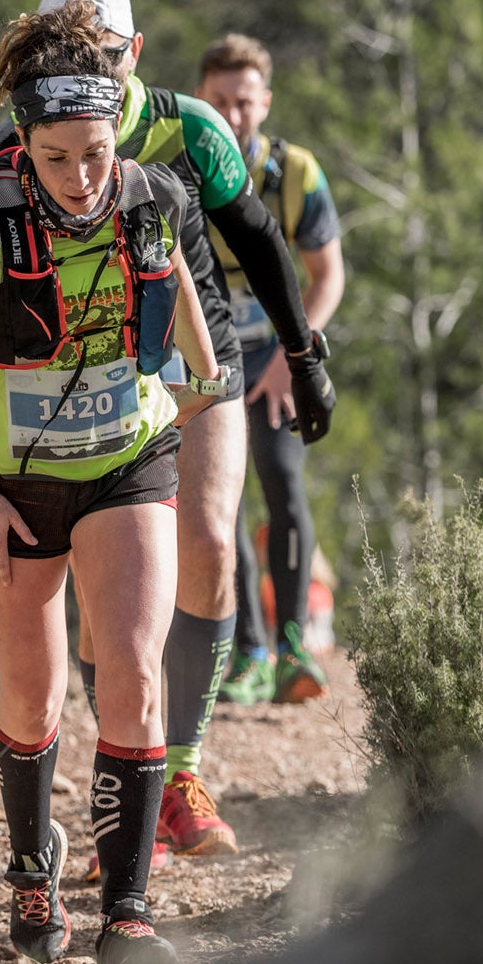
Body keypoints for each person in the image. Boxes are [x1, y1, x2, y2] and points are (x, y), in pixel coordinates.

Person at [0, 0, 336, 864]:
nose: (90, 68)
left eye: (106, 53)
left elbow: (258, 240)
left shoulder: (190, 127)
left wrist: (304, 356)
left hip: (195, 354)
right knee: (108, 612)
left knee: (212, 544)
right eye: (73, 49)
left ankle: (182, 771)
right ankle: (123, 784)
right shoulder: (17, 141)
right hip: (83, 379)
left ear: (133, 53)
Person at [0, 0, 226, 964]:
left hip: (124, 466)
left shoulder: (150, 199)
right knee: (34, 694)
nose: (81, 179)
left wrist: (175, 408)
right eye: (56, 159)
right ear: (22, 143)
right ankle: (28, 872)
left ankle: (125, 914)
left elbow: (193, 351)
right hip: (8, 481)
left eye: (95, 154)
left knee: (131, 669)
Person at [196, 35, 347, 706]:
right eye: (220, 102)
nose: (232, 116)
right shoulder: (182, 167)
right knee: (217, 500)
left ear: (267, 102)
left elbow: (327, 274)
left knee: (283, 482)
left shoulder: (298, 173)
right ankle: (249, 650)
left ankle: (291, 647)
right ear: (201, 99)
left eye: (245, 102)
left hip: (279, 355)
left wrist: (297, 355)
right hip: (209, 358)